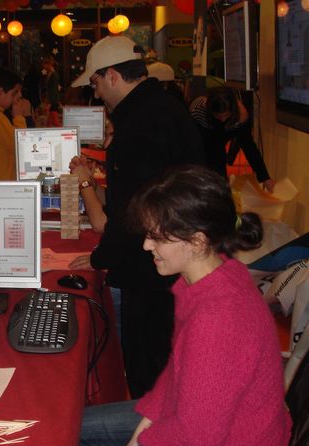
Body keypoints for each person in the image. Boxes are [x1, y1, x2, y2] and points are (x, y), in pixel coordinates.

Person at [74, 164, 291, 446]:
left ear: (198, 241)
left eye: (158, 237)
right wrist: (144, 425)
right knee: (69, 431)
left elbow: (197, 441)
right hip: (201, 426)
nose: (147, 245)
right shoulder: (209, 279)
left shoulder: (218, 319)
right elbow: (179, 373)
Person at [69, 35, 205, 398]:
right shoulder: (165, 109)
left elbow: (132, 213)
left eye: (95, 82)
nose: (96, 93)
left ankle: (153, 443)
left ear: (112, 75)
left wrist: (101, 258)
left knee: (150, 366)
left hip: (152, 272)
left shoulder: (138, 126)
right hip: (178, 260)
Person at [189, 87, 275, 192]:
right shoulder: (197, 111)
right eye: (218, 116)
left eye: (226, 115)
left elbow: (249, 148)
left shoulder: (240, 116)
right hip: (198, 148)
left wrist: (265, 177)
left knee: (220, 182)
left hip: (218, 149)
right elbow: (192, 146)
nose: (223, 119)